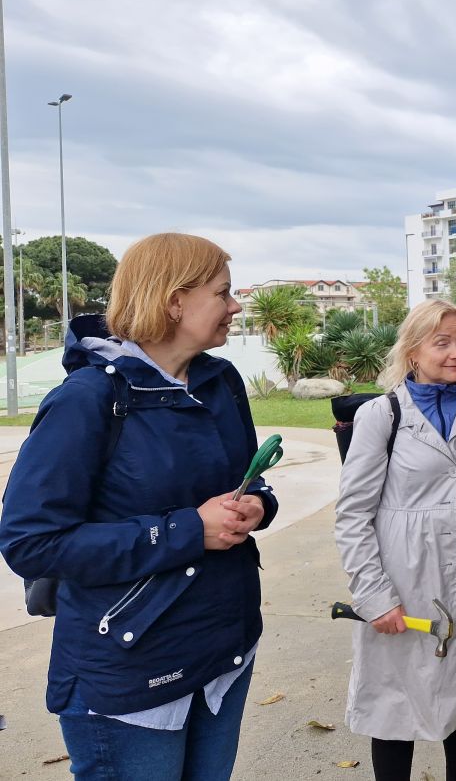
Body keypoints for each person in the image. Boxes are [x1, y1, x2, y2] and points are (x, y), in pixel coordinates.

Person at [0, 233, 277, 780]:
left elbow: (247, 482)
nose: (235, 306)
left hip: (224, 653)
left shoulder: (220, 382)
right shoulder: (87, 399)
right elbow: (31, 542)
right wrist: (189, 530)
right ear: (175, 302)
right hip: (131, 675)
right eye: (223, 293)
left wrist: (257, 506)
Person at [335, 299, 456, 781]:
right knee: (396, 704)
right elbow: (354, 513)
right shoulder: (382, 415)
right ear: (413, 350)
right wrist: (375, 595)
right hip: (407, 577)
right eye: (442, 343)